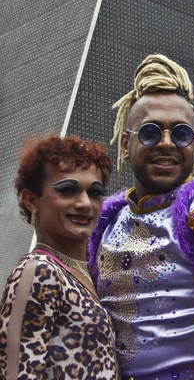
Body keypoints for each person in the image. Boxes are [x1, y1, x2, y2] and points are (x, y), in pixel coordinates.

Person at [88, 54, 194, 379]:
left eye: (180, 134)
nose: (166, 143)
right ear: (125, 143)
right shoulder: (102, 225)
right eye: (150, 133)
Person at [0, 135, 118, 379]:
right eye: (68, 190)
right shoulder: (37, 271)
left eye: (95, 192)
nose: (85, 203)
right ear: (31, 200)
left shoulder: (91, 276)